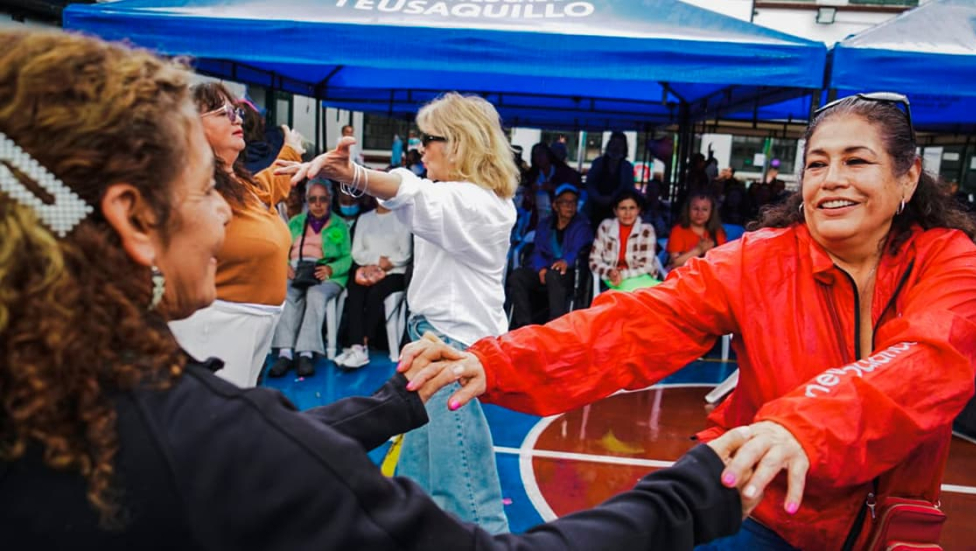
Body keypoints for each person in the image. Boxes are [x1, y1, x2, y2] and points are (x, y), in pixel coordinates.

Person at [0, 29, 763, 550]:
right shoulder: (197, 435)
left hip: (446, 354)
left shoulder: (56, 400)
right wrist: (692, 493)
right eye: (209, 189)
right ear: (133, 219)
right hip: (437, 355)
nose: (228, 211)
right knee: (456, 502)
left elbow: (263, 444)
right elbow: (258, 451)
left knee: (457, 489)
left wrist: (397, 398)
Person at [400, 92, 976, 550]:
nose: (832, 179)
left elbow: (928, 360)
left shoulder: (947, 260)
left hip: (886, 528)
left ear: (908, 177)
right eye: (816, 164)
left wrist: (803, 428)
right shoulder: (760, 260)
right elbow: (636, 322)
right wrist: (497, 358)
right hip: (762, 506)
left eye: (856, 161)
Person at [278, 92, 519, 533]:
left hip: (451, 353)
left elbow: (409, 191)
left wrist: (352, 172)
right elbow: (401, 198)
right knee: (416, 485)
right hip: (434, 346)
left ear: (459, 143)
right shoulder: (459, 198)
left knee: (468, 496)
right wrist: (345, 176)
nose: (420, 147)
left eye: (428, 139)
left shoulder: (478, 204)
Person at [166, 81, 304, 388]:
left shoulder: (239, 183)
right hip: (213, 327)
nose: (236, 118)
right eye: (222, 112)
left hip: (250, 327)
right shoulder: (191, 186)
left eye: (236, 111)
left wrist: (292, 148)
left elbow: (270, 185)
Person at [269, 180, 353, 378]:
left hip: (326, 272)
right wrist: (285, 265)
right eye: (313, 199)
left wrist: (331, 269)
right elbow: (281, 249)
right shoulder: (296, 222)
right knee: (287, 292)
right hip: (297, 269)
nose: (318, 204)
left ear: (330, 200)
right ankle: (285, 352)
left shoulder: (339, 224)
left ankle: (305, 352)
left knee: (315, 294)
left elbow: (348, 257)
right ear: (307, 201)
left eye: (323, 199)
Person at [332, 201, 413, 369]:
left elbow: (405, 254)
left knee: (376, 293)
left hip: (394, 272)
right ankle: (356, 346)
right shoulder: (364, 218)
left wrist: (385, 265)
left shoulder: (402, 218)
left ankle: (363, 342)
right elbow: (356, 252)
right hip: (367, 269)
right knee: (354, 289)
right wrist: (375, 263)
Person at [506, 183, 592, 329]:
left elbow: (578, 249)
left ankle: (555, 327)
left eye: (573, 202)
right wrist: (541, 268)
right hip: (545, 270)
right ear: (555, 205)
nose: (570, 206)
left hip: (569, 273)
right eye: (565, 202)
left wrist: (566, 261)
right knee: (517, 276)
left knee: (554, 275)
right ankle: (524, 326)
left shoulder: (582, 225)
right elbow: (538, 250)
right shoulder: (545, 225)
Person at [590, 189, 659, 292]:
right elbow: (594, 260)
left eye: (632, 208)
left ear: (638, 210)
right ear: (615, 211)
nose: (627, 213)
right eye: (623, 208)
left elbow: (647, 266)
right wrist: (610, 272)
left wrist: (622, 274)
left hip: (640, 277)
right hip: (613, 277)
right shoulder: (605, 227)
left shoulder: (646, 230)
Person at [584, 131, 634, 230]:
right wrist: (598, 197)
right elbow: (590, 183)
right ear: (609, 145)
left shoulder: (627, 167)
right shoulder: (598, 162)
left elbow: (628, 189)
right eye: (614, 144)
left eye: (620, 145)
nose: (616, 148)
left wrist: (613, 198)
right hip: (595, 210)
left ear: (624, 148)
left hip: (617, 212)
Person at [524, 142, 581, 223]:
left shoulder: (563, 173)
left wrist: (555, 188)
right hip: (538, 219)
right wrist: (529, 193)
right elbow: (526, 205)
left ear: (548, 155)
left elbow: (575, 190)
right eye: (535, 155)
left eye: (541, 153)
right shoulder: (532, 175)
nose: (539, 157)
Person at [667, 194, 727, 271]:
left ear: (711, 212)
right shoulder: (678, 231)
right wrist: (698, 250)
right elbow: (675, 264)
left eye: (705, 209)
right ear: (688, 210)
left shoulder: (718, 232)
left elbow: (723, 262)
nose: (699, 213)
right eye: (695, 209)